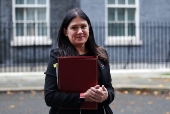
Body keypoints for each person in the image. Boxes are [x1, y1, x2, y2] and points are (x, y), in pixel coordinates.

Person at [44, 8, 115, 114]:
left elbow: (109, 88)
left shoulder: (101, 54)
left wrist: (106, 95)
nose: (80, 31)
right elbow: (50, 97)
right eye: (74, 28)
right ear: (65, 32)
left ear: (89, 28)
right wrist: (83, 97)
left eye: (83, 26)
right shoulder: (57, 56)